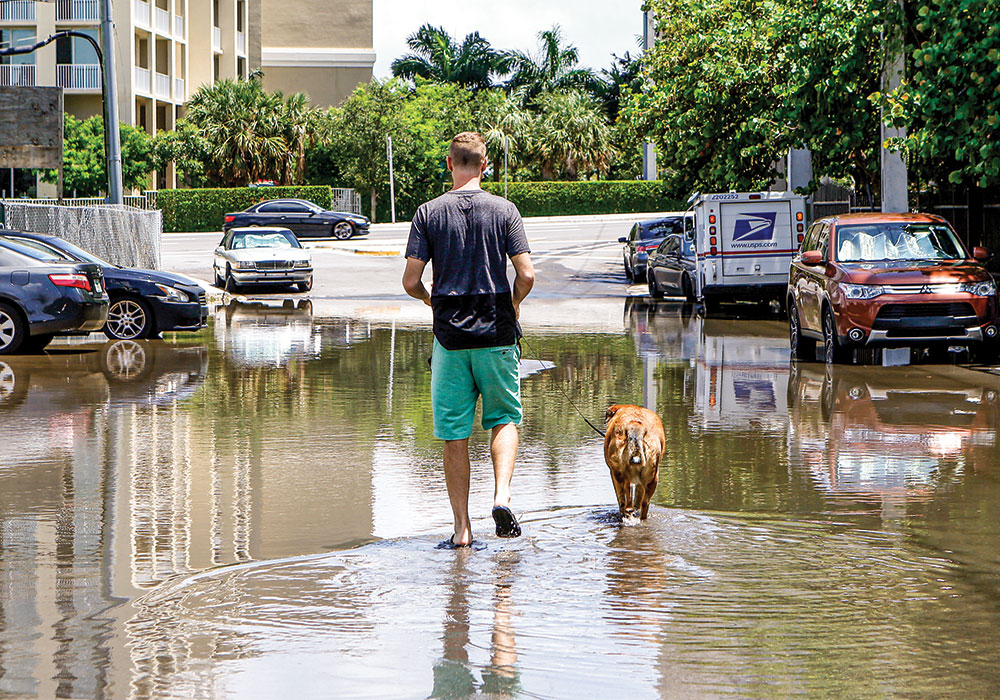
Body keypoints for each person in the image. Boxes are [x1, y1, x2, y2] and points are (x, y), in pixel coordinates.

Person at [402, 131, 535, 547]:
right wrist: (513, 305)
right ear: (484, 164)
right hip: (496, 332)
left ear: (449, 164)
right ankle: (501, 495)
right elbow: (527, 274)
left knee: (454, 434)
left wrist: (431, 302)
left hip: (450, 338)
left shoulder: (428, 212)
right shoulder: (505, 210)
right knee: (504, 418)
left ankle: (462, 530)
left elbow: (410, 281)